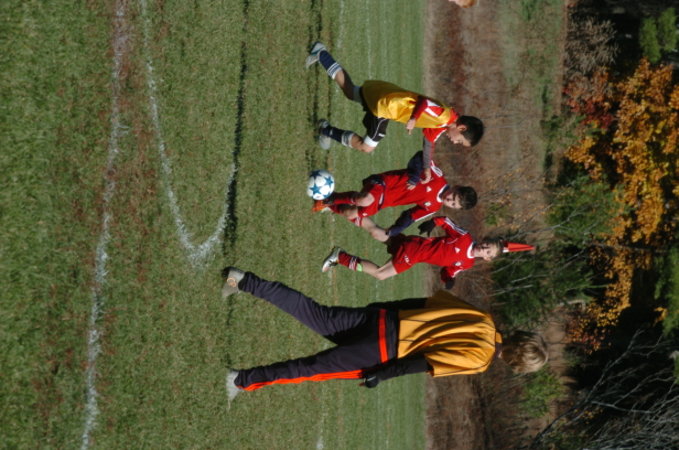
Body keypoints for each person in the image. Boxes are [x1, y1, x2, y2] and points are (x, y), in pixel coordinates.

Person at [222, 268, 548, 401]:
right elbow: (422, 362)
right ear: (517, 363)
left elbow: (424, 302)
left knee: (314, 312)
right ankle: (240, 380)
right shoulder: (480, 360)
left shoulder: (483, 319)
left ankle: (243, 280)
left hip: (383, 319)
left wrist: (384, 307)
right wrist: (381, 375)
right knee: (310, 369)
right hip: (382, 351)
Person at [305, 42, 484, 183]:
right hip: (387, 108)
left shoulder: (445, 123)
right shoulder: (444, 116)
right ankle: (325, 130)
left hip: (387, 94)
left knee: (351, 91)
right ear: (461, 128)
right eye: (459, 141)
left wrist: (427, 167)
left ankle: (322, 54)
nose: (454, 142)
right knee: (366, 147)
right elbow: (425, 103)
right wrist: (413, 118)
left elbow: (429, 142)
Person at [312, 151, 477, 242]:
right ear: (455, 187)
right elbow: (421, 156)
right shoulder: (437, 177)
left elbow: (410, 216)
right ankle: (329, 199)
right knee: (365, 199)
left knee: (350, 213)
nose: (450, 200)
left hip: (383, 202)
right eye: (453, 196)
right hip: (385, 183)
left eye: (453, 204)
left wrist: (396, 229)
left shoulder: (433, 207)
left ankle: (329, 202)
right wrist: (415, 175)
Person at [321, 216, 503, 287]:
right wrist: (433, 223)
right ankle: (340, 257)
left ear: (487, 258)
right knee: (380, 274)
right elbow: (446, 221)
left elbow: (449, 270)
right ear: (485, 241)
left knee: (379, 233)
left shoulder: (468, 263)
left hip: (413, 247)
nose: (485, 248)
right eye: (488, 245)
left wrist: (448, 279)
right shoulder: (465, 237)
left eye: (488, 252)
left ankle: (348, 211)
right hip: (414, 252)